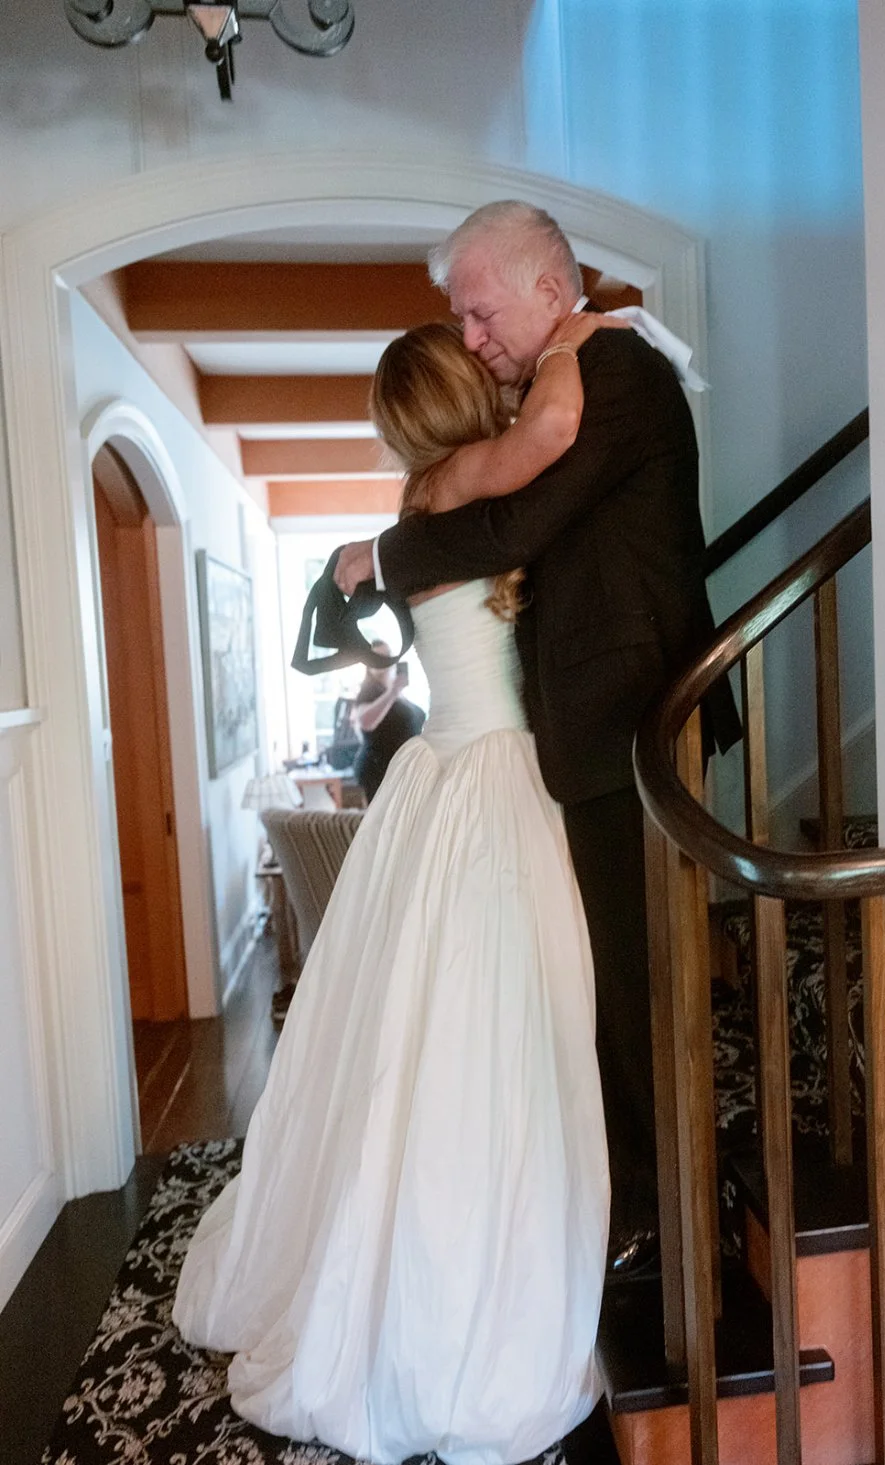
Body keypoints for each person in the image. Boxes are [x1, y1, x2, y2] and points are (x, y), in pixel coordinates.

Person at [173, 314, 617, 1463]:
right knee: (491, 1033)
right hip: (490, 781)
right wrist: (569, 332)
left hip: (468, 776)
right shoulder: (454, 493)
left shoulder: (435, 510)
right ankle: (458, 1287)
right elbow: (554, 430)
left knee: (463, 1030)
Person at [335, 200, 737, 1280]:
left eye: (477, 313)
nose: (470, 339)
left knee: (637, 984)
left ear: (550, 294)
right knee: (602, 980)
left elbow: (514, 529)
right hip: (591, 734)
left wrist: (389, 548)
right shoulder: (566, 376)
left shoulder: (613, 373)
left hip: (635, 728)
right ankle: (638, 1196)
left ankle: (675, 1221)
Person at [351, 644, 426, 800]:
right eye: (377, 657)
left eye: (387, 656)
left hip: (403, 769)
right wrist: (393, 692)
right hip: (380, 768)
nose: (382, 662)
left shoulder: (395, 692)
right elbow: (365, 722)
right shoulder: (369, 691)